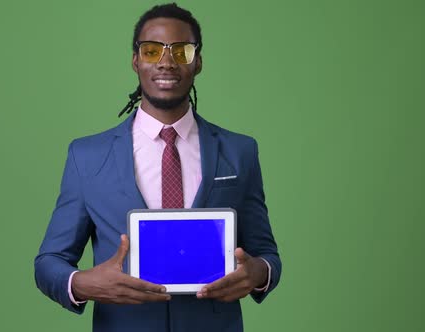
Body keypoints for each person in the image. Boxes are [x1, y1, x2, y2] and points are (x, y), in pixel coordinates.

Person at [34, 3, 281, 332]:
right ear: (135, 61)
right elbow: (49, 262)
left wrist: (258, 273)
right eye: (152, 51)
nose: (166, 61)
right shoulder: (87, 155)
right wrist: (80, 283)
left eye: (182, 51)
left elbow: (266, 254)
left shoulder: (239, 151)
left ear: (199, 62)